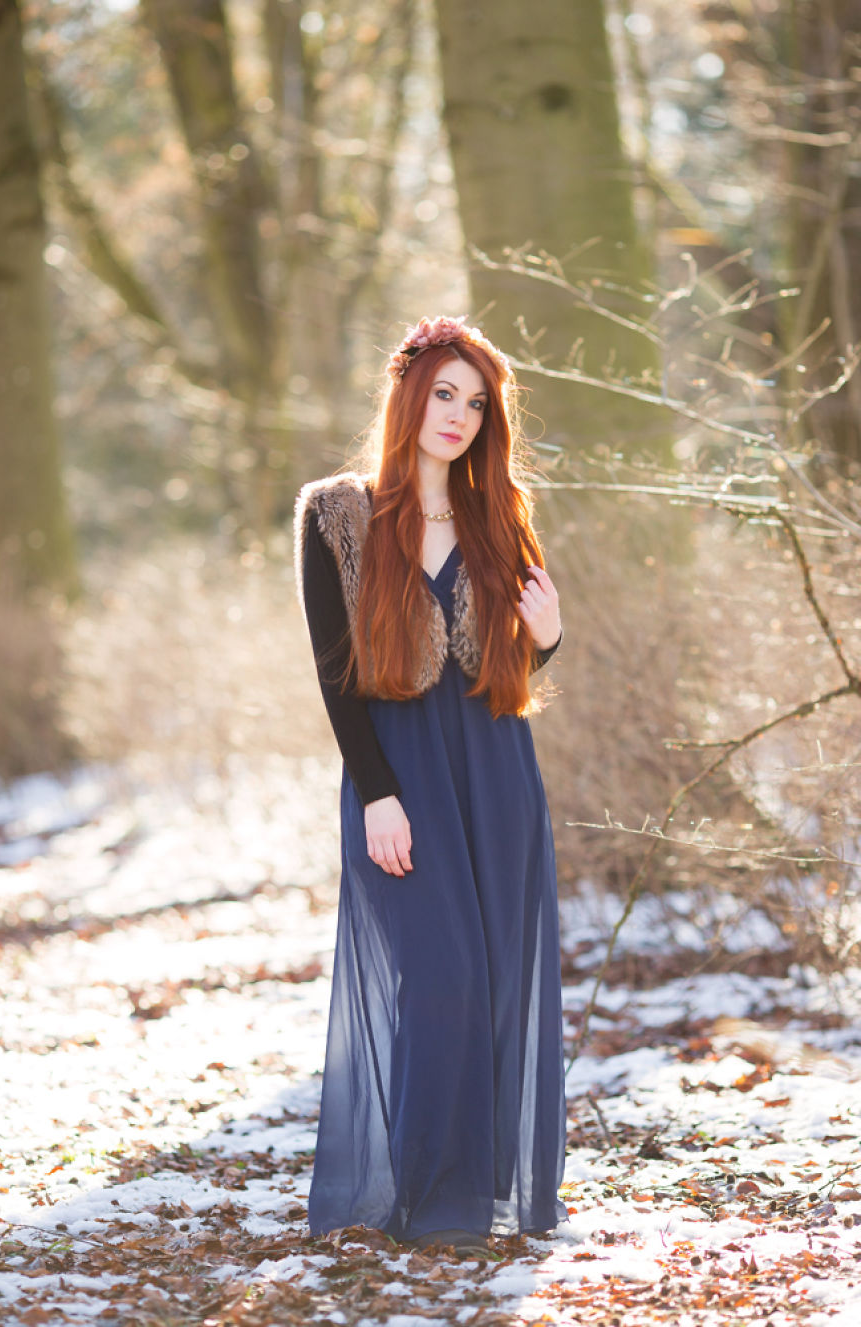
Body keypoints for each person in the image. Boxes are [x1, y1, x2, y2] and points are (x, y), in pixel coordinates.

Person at [294, 315, 566, 1253]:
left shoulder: (502, 512)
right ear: (409, 393)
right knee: (438, 976)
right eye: (445, 394)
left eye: (478, 403)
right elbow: (335, 676)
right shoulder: (335, 512)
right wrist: (375, 792)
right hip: (400, 772)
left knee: (490, 983)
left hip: (495, 769)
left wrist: (551, 631)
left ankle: (477, 1192)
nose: (459, 415)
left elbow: (516, 664)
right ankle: (426, 1191)